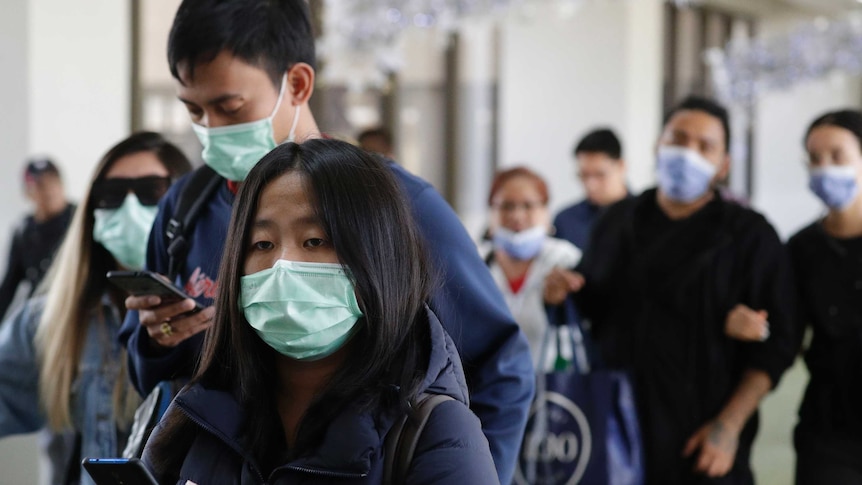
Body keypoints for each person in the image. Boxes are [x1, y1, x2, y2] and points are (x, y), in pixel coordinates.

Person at [118, 1, 533, 482]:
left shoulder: (398, 206)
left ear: (296, 84)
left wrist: (462, 466)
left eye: (229, 107)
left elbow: (498, 363)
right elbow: (152, 376)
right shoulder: (186, 209)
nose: (212, 130)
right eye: (195, 111)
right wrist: (157, 341)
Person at [142, 139, 497, 484]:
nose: (283, 265)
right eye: (262, 244)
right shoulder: (196, 415)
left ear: (379, 257)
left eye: (315, 241)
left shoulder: (437, 432)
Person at [544, 96, 797, 484]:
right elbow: (590, 308)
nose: (687, 153)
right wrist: (562, 292)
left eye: (705, 146)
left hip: (704, 439)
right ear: (657, 146)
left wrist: (728, 427)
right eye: (678, 139)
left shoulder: (750, 235)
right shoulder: (618, 222)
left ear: (724, 164)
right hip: (618, 432)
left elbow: (777, 344)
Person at [0, 132, 192, 485]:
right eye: (112, 195)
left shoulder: (216, 317)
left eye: (151, 191)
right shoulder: (48, 321)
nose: (130, 209)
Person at [783, 109, 862, 484]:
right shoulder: (802, 249)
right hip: (829, 430)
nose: (824, 168)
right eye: (815, 159)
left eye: (837, 156)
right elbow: (787, 335)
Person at [484, 166, 580, 363]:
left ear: (546, 211)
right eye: (507, 206)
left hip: (553, 384)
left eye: (528, 205)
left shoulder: (566, 260)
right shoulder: (474, 262)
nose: (517, 216)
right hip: (484, 387)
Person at [0, 158, 75, 319]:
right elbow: (9, 286)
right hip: (39, 315)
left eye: (53, 182)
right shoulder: (24, 232)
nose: (49, 191)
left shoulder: (80, 222)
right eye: (40, 185)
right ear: (27, 192)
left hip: (76, 311)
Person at [553, 128, 629, 251]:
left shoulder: (643, 216)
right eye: (584, 175)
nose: (591, 185)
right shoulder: (565, 220)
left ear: (621, 166)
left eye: (600, 175)